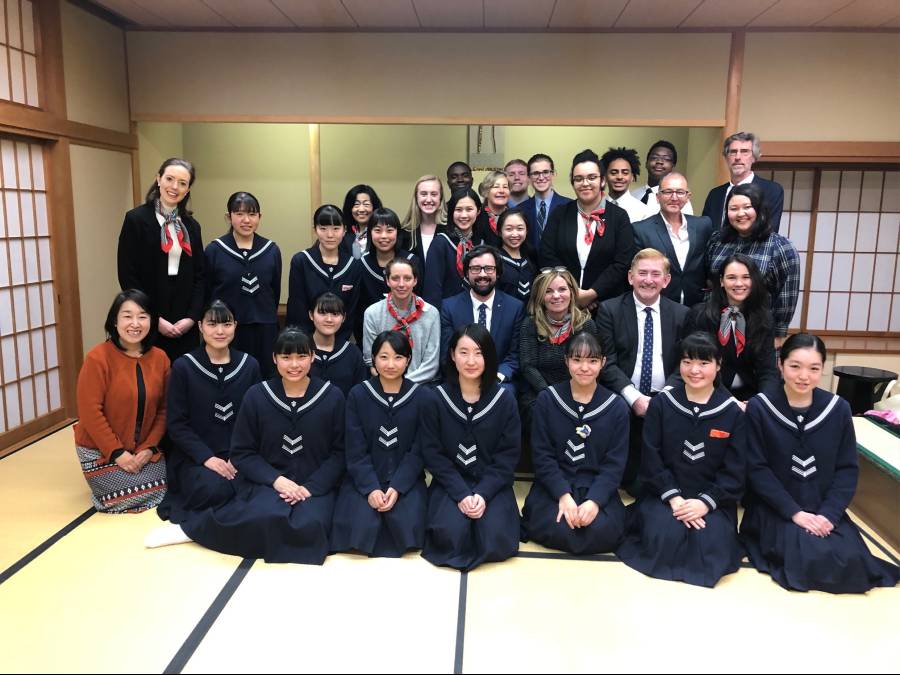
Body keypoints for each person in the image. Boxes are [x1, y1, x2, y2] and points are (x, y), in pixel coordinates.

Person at [160, 327, 346, 564]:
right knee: (266, 515)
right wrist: (277, 481)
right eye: (286, 357)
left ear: (312, 357)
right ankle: (193, 530)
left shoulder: (333, 396)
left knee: (312, 524)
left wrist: (310, 487)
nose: (294, 364)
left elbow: (340, 453)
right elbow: (243, 453)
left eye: (301, 356)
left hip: (315, 483)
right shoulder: (257, 395)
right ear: (274, 359)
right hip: (268, 481)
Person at [741, 333, 899, 593]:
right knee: (806, 557)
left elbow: (847, 469)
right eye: (795, 366)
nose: (804, 376)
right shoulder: (761, 407)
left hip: (823, 505)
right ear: (780, 365)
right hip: (775, 508)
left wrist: (829, 514)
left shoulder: (838, 409)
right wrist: (795, 513)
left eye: (814, 369)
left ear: (822, 370)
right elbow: (756, 469)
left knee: (852, 560)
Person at [617, 332, 746, 588]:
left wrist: (704, 503)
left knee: (708, 541)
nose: (694, 370)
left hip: (713, 502)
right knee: (663, 536)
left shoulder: (733, 412)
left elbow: (736, 469)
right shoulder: (663, 404)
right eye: (687, 362)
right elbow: (651, 458)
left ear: (719, 365)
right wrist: (675, 498)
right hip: (664, 496)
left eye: (704, 363)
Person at [420, 325, 521, 570]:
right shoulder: (436, 398)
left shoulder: (504, 399)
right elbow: (433, 454)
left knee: (494, 537)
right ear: (452, 355)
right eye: (463, 352)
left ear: (489, 356)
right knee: (450, 535)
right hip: (451, 483)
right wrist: (462, 494)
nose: (471, 361)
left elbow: (507, 457)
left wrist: (483, 494)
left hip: (492, 484)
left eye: (478, 353)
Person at [521, 332, 629, 555]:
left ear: (603, 363)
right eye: (577, 360)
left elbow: (614, 465)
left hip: (596, 486)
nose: (584, 368)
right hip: (556, 486)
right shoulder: (548, 399)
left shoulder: (616, 406)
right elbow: (542, 456)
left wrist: (594, 502)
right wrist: (563, 496)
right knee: (558, 527)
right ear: (566, 361)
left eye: (592, 361)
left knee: (600, 530)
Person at [157, 299, 261, 524]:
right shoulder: (184, 366)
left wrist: (238, 457)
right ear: (200, 326)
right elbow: (177, 424)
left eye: (227, 324)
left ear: (236, 325)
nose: (220, 331)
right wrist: (207, 458)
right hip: (196, 457)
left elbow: (256, 421)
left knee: (255, 489)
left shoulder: (249, 365)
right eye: (212, 324)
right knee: (214, 490)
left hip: (240, 456)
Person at [596, 249, 690, 494]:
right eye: (643, 273)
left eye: (656, 274)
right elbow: (607, 362)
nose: (648, 280)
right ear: (630, 277)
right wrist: (635, 398)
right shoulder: (610, 310)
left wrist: (664, 396)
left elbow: (686, 364)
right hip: (624, 395)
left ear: (666, 280)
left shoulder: (682, 314)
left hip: (668, 395)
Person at [331, 331, 428, 557]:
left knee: (409, 527)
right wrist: (371, 487)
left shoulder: (422, 396)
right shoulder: (358, 394)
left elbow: (419, 450)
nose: (391, 364)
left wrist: (398, 486)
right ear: (373, 359)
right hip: (364, 478)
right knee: (357, 527)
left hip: (406, 480)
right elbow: (354, 449)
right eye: (383, 357)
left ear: (408, 360)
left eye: (398, 357)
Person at [74, 290, 169, 513]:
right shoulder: (98, 358)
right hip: (100, 448)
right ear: (114, 322)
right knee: (126, 496)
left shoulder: (160, 358)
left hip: (143, 447)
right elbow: (90, 412)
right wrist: (117, 453)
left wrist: (148, 448)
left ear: (152, 321)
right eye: (127, 316)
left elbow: (165, 410)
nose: (135, 323)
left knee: (167, 489)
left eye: (143, 316)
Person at [117, 157, 205, 362]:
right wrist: (154, 318)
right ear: (158, 179)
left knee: (184, 381)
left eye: (182, 183)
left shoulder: (191, 226)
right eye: (169, 179)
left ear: (188, 189)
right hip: (149, 314)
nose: (174, 187)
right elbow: (127, 275)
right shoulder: (136, 220)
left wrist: (192, 318)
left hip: (184, 319)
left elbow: (201, 275)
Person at [540, 149, 634, 313]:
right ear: (573, 183)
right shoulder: (560, 214)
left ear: (602, 180)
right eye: (579, 179)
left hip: (606, 306)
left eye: (592, 177)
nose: (585, 183)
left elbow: (622, 262)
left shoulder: (619, 216)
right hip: (563, 304)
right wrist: (572, 292)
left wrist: (592, 293)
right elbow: (546, 254)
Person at [204, 191, 281, 378]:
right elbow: (207, 292)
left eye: (252, 214)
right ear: (228, 217)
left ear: (259, 217)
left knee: (265, 379)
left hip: (264, 329)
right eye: (239, 214)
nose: (246, 220)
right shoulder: (215, 250)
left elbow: (274, 291)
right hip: (228, 331)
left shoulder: (271, 250)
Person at [706, 183, 799, 337]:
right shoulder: (717, 241)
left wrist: (778, 334)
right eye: (734, 209)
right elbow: (710, 283)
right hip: (717, 327)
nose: (740, 213)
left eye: (747, 207)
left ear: (759, 209)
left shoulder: (781, 246)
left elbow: (786, 296)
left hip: (759, 331)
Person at [684, 254, 779, 404]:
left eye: (746, 277)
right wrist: (730, 402)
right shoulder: (700, 315)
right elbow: (698, 365)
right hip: (709, 394)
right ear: (721, 281)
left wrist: (762, 401)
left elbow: (767, 370)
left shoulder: (763, 318)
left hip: (750, 395)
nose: (739, 283)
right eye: (732, 278)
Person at [518, 268, 599, 431]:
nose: (556, 296)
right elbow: (528, 366)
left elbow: (591, 366)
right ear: (541, 296)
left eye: (562, 289)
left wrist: (573, 395)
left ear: (572, 292)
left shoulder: (586, 325)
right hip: (540, 392)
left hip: (579, 390)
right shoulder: (530, 324)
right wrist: (550, 395)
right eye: (548, 291)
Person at [439, 245, 525, 392]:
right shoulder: (449, 307)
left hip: (499, 380)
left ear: (497, 273)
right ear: (466, 273)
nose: (482, 274)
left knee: (506, 393)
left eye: (489, 268)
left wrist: (496, 377)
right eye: (475, 269)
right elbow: (447, 354)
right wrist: (468, 378)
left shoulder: (515, 308)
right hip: (461, 378)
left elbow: (515, 355)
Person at [632, 172, 713, 307]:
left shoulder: (703, 225)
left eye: (680, 192)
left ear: (688, 197)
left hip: (697, 305)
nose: (674, 197)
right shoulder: (641, 230)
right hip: (659, 305)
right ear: (658, 197)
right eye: (668, 192)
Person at [286, 204, 361, 343]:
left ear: (344, 230)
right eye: (323, 228)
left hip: (341, 342)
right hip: (306, 343)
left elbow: (351, 311)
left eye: (336, 228)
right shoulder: (301, 261)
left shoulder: (353, 265)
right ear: (315, 229)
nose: (330, 235)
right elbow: (297, 308)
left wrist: (338, 342)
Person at [362, 257, 440, 384]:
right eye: (395, 278)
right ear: (387, 281)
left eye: (407, 278)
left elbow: (431, 365)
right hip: (383, 384)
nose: (401, 284)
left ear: (415, 281)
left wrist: (403, 384)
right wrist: (391, 383)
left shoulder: (431, 313)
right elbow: (371, 361)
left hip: (421, 387)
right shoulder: (372, 313)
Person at [702, 131, 784, 232]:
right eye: (733, 152)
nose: (737, 157)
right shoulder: (715, 194)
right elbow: (706, 231)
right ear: (726, 158)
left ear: (754, 157)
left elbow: (770, 230)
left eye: (744, 151)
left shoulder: (771, 190)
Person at [422, 188, 482, 309]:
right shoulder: (440, 243)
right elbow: (433, 289)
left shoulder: (482, 244)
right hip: (447, 313)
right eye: (458, 210)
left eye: (469, 209)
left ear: (478, 211)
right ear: (451, 212)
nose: (464, 215)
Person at [309, 292, 367, 396]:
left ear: (344, 317)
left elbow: (360, 396)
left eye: (335, 314)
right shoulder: (299, 349)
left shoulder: (352, 353)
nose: (329, 319)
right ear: (311, 315)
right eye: (322, 313)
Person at [401, 174, 448, 295]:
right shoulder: (404, 234)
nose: (428, 199)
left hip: (444, 301)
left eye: (434, 194)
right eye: (423, 194)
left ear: (441, 198)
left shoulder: (450, 232)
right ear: (416, 197)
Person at [518, 153, 572, 249]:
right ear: (529, 178)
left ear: (553, 174)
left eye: (545, 172)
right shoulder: (520, 210)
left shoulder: (569, 206)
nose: (541, 177)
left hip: (560, 264)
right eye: (536, 173)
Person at [631, 140, 695, 216]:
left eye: (666, 159)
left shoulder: (678, 200)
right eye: (654, 157)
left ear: (673, 166)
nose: (659, 162)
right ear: (646, 163)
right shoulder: (633, 194)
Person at [600, 147, 652, 224]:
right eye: (614, 173)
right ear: (605, 176)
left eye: (625, 173)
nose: (619, 177)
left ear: (632, 177)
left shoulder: (643, 212)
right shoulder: (596, 207)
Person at [496, 208, 537, 303]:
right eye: (509, 229)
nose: (515, 234)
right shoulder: (493, 260)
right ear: (499, 231)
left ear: (527, 231)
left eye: (520, 228)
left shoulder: (532, 258)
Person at [341, 184, 383, 259]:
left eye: (366, 204)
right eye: (356, 204)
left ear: (374, 207)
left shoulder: (382, 233)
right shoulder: (343, 235)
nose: (361, 209)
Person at [474, 170, 510, 248]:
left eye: (505, 187)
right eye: (496, 187)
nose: (501, 191)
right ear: (486, 191)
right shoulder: (477, 218)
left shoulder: (515, 217)